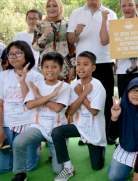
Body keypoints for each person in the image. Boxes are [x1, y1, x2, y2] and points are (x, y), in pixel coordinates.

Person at [67, 0, 117, 145]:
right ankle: (84, 133)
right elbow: (71, 40)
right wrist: (76, 32)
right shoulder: (76, 13)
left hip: (105, 61)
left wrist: (116, 61)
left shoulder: (111, 14)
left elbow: (116, 40)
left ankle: (108, 133)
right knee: (83, 97)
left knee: (107, 99)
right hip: (83, 65)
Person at [11, 52, 71, 181]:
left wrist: (39, 97)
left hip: (57, 131)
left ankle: (54, 153)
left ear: (61, 69)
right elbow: (29, 105)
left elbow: (57, 108)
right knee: (18, 142)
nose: (50, 70)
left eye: (54, 67)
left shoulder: (64, 86)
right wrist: (50, 96)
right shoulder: (37, 85)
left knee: (58, 170)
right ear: (41, 68)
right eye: (46, 66)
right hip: (38, 127)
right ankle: (20, 173)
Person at [51, 51, 106, 181]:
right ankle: (68, 166)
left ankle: (99, 148)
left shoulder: (98, 86)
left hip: (94, 128)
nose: (80, 67)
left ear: (93, 68)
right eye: (78, 64)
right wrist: (82, 94)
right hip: (79, 125)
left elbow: (94, 112)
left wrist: (83, 93)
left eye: (85, 64)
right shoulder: (74, 85)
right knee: (57, 132)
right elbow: (70, 112)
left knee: (96, 166)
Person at [0, 41, 43, 174]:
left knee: (28, 167)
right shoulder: (2, 76)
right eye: (10, 54)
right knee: (0, 168)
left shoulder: (36, 76)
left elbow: (31, 103)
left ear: (27, 54)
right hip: (6, 125)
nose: (13, 56)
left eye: (18, 53)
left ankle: (37, 150)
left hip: (28, 124)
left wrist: (22, 81)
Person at [33, 0, 76, 83]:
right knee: (44, 94)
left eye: (54, 6)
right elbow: (35, 47)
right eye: (48, 6)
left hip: (63, 69)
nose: (51, 9)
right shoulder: (40, 25)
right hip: (45, 70)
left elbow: (73, 48)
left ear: (60, 7)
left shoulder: (68, 24)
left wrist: (73, 67)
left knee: (62, 94)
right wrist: (44, 35)